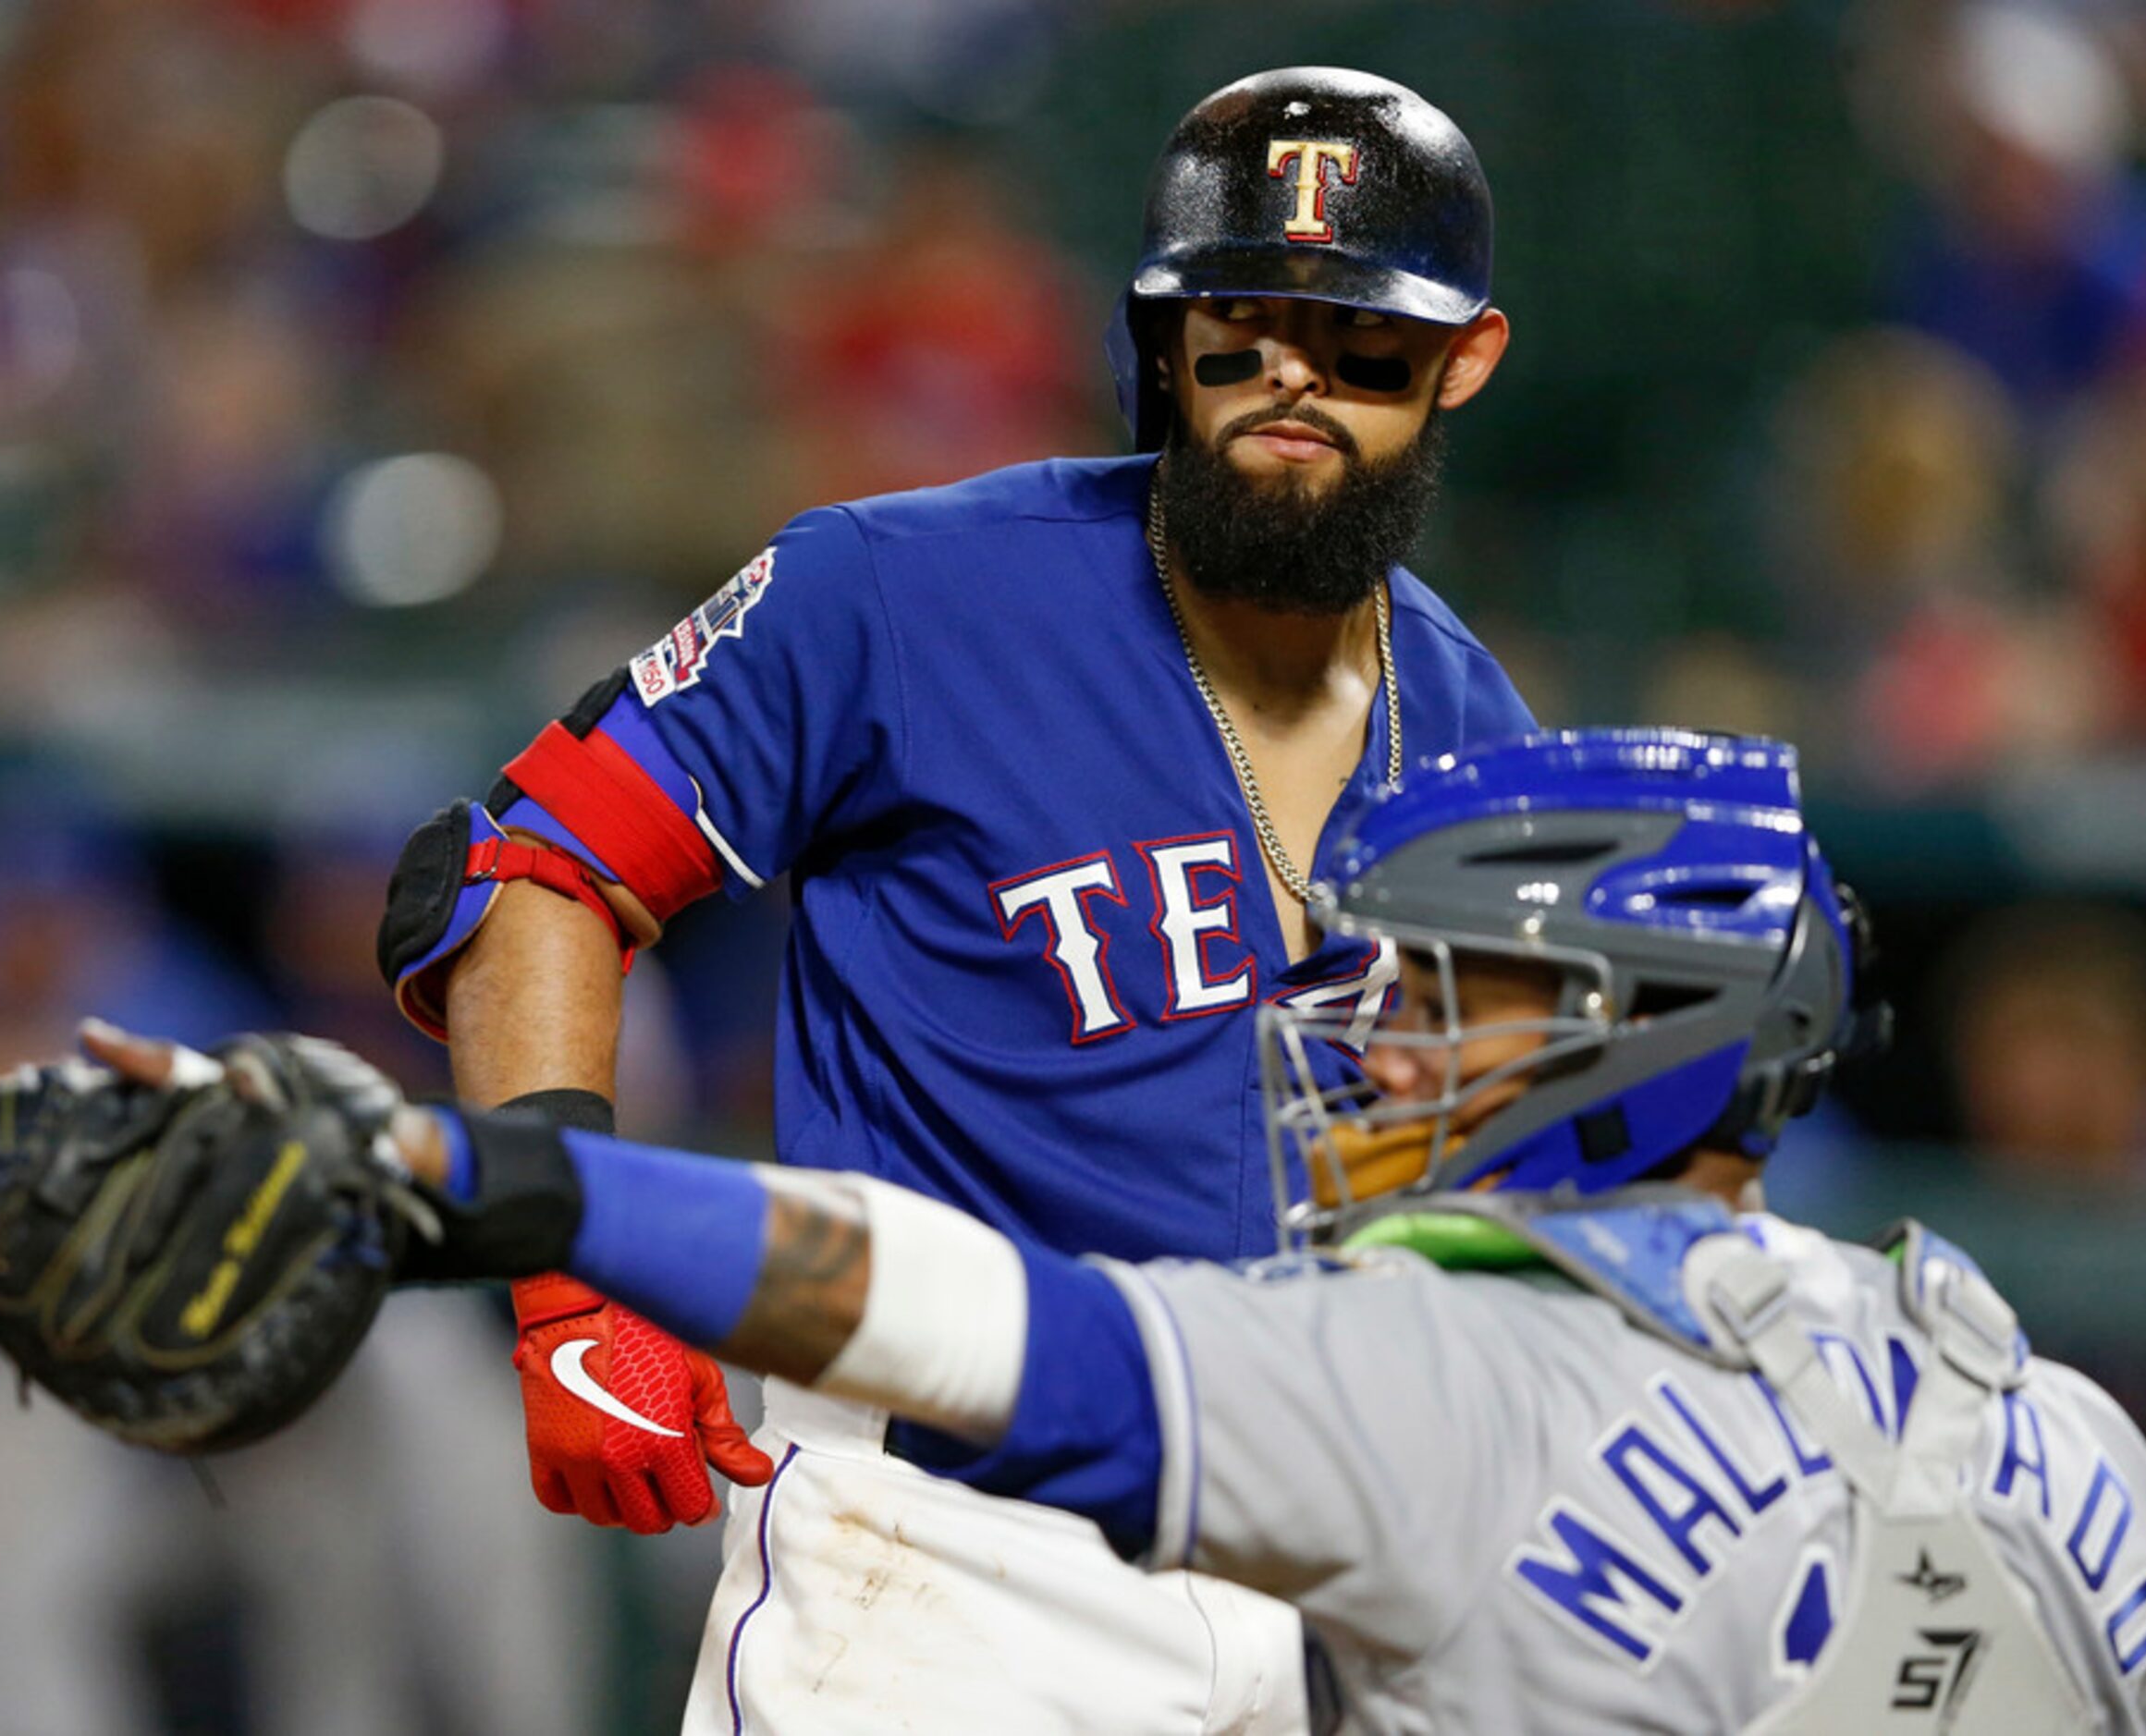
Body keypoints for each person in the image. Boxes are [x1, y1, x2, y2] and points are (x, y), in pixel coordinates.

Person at [100, 727, 2146, 1729]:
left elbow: (939, 1312)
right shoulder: (2042, 1414)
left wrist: (496, 1182)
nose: (1370, 1047)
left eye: (1448, 996)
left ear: (1651, 1042)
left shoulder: (1434, 1374)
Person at [374, 66, 1532, 1732]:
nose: (1291, 373)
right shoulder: (906, 592)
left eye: (1359, 335)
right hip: (950, 1564)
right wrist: (572, 1275)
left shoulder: (1477, 717)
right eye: (1240, 319)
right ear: (1160, 335)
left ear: (1460, 361)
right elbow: (530, 868)